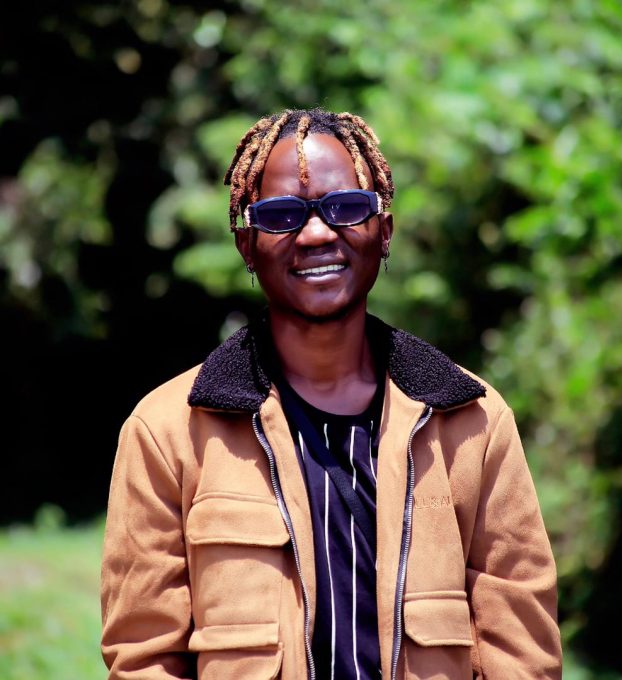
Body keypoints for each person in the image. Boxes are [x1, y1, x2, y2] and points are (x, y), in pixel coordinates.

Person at [101, 108, 562, 680]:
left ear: (384, 231)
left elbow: (522, 651)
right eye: (281, 216)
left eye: (345, 208)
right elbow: (143, 656)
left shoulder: (472, 423)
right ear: (246, 244)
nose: (317, 234)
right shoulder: (168, 432)